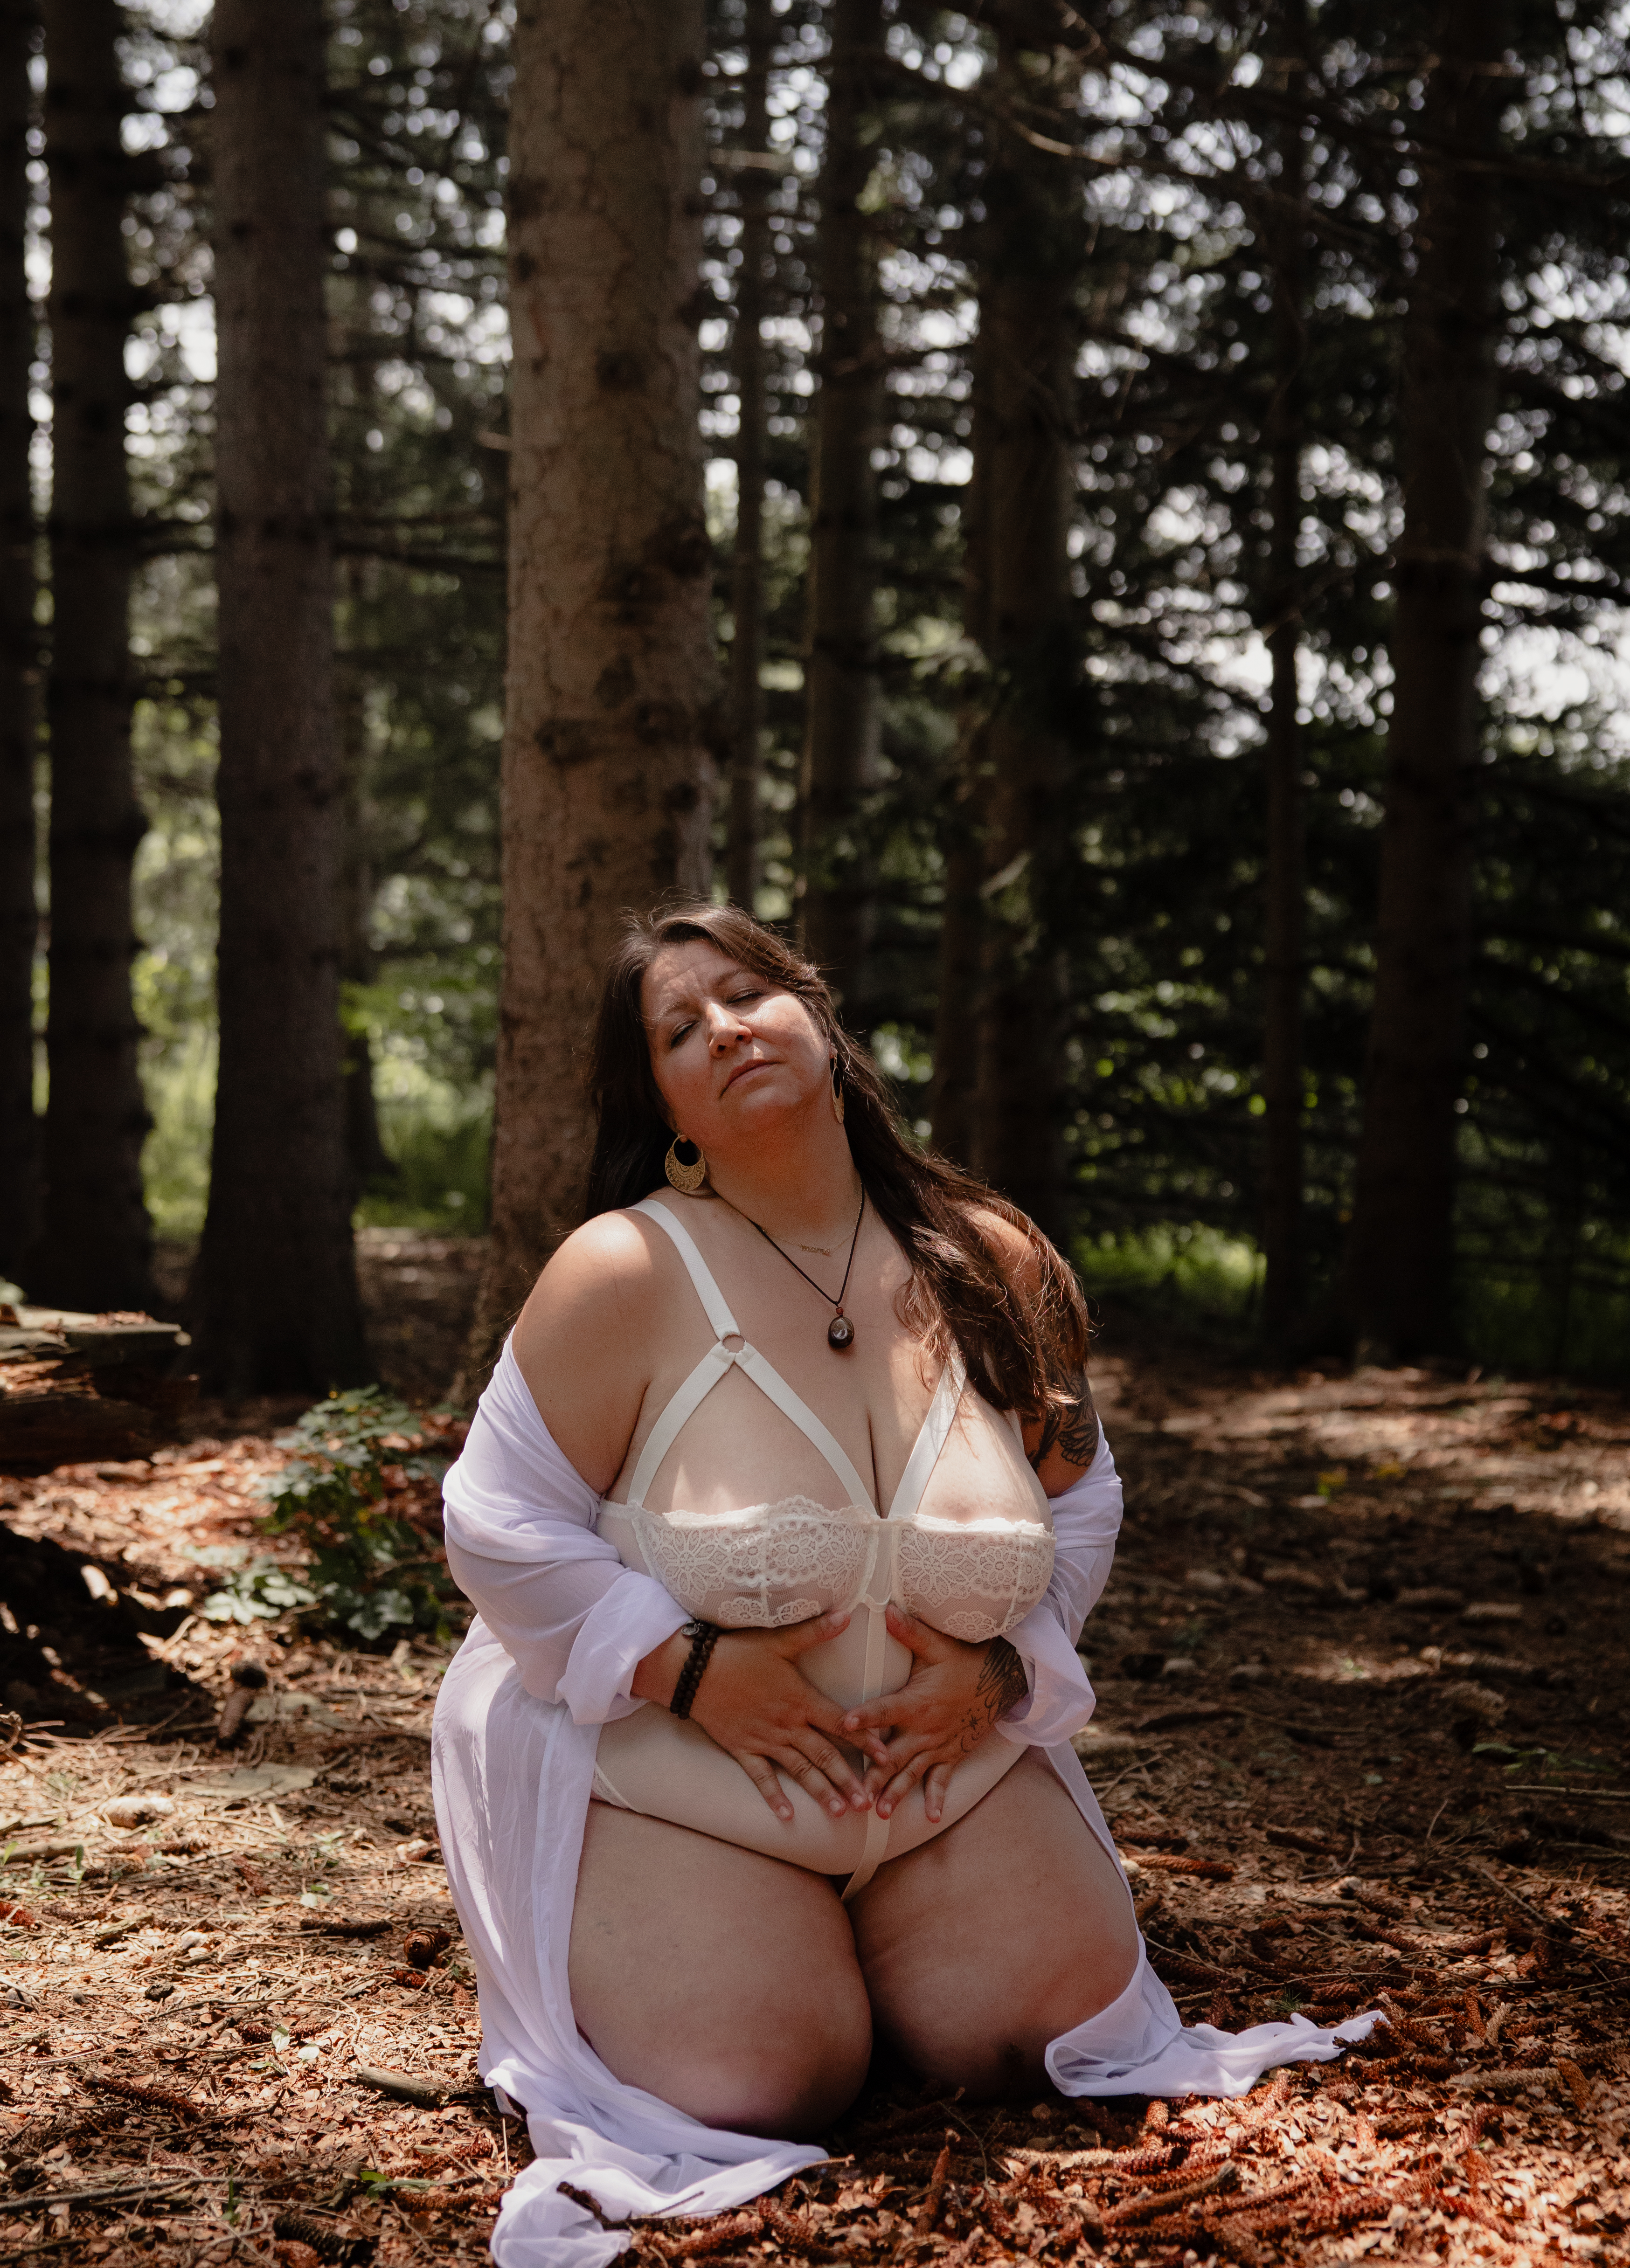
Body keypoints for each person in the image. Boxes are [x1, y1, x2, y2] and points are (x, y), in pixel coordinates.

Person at [432, 903, 1376, 2268]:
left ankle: (856, 1929)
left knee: (1060, 2020)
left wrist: (1002, 1669)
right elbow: (496, 1520)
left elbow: (1082, 1494)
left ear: (819, 1018)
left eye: (749, 993)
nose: (725, 1029)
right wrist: (692, 1666)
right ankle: (773, 1952)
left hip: (948, 1778)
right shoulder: (623, 1269)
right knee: (754, 2082)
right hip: (674, 1780)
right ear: (665, 1106)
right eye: (679, 1029)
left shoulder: (984, 1253)